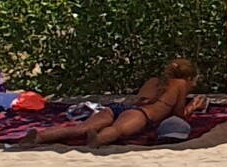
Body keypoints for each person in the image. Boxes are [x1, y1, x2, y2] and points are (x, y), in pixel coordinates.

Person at [30, 58, 200, 146]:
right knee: (117, 130)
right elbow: (179, 114)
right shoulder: (181, 84)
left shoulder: (154, 80)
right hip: (140, 114)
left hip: (121, 107)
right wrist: (192, 107)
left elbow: (139, 100)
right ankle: (98, 139)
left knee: (80, 128)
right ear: (189, 77)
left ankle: (40, 136)